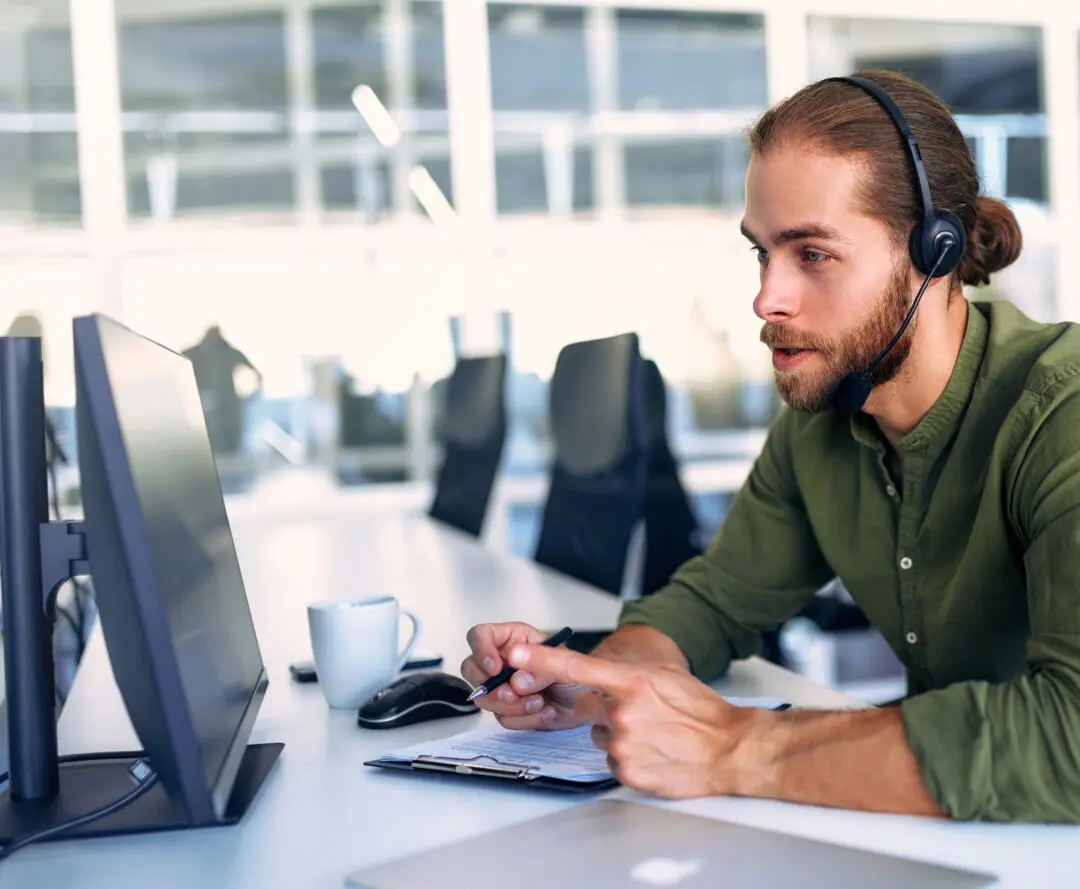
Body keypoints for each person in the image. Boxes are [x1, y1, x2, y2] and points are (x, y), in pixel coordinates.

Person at [461, 69, 1080, 824]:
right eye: (761, 252)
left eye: (811, 253)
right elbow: (714, 603)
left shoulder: (1062, 413)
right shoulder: (822, 425)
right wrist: (598, 680)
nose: (766, 298)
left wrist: (737, 748)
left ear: (935, 250)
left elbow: (1070, 738)